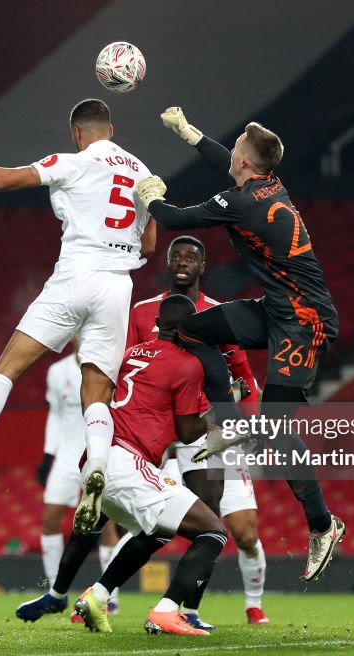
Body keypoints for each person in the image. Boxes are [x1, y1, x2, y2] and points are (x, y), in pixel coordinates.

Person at [0, 99, 157, 537]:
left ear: (77, 133)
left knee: (8, 368)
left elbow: (0, 179)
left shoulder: (72, 162)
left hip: (75, 275)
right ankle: (98, 466)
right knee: (97, 392)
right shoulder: (142, 172)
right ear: (112, 130)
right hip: (118, 287)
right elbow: (150, 246)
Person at [135, 108, 345, 581]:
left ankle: (322, 525)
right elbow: (223, 161)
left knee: (276, 430)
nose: (231, 153)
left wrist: (150, 196)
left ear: (246, 161)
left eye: (236, 150)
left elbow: (175, 217)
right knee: (190, 329)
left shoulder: (242, 202)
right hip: (275, 309)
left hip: (304, 322)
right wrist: (189, 132)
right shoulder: (268, 185)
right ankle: (229, 419)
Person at [126, 235, 269, 626]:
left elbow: (244, 375)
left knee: (239, 530)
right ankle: (106, 596)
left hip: (212, 430)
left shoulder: (221, 314)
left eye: (191, 257)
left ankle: (247, 605)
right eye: (176, 256)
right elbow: (128, 369)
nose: (183, 262)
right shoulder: (142, 312)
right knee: (153, 525)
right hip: (163, 437)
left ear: (203, 266)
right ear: (167, 263)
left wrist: (249, 424)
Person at [73, 295, 227, 637]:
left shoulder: (130, 353)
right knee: (213, 532)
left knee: (156, 532)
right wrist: (221, 408)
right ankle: (167, 611)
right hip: (129, 462)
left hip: (98, 458)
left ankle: (97, 596)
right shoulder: (187, 364)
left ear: (157, 324)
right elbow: (187, 432)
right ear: (191, 328)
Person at [16, 341, 121, 622]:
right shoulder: (57, 371)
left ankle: (109, 598)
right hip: (65, 458)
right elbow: (56, 414)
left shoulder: (110, 366)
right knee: (50, 519)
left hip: (96, 457)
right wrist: (47, 455)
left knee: (106, 526)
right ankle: (55, 590)